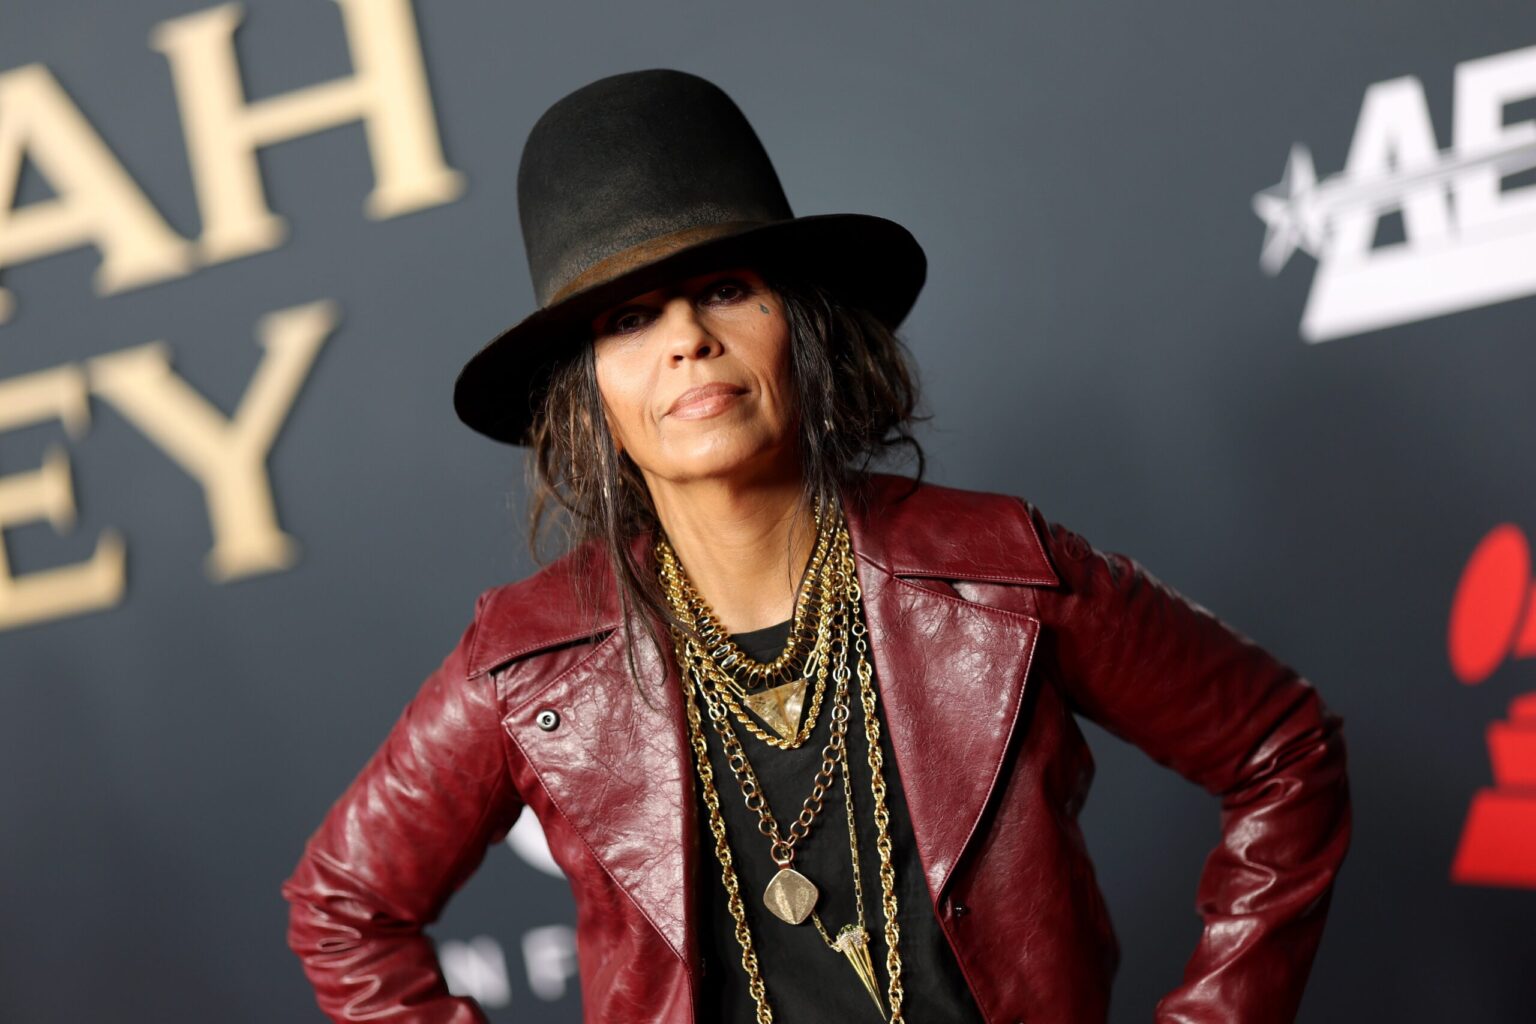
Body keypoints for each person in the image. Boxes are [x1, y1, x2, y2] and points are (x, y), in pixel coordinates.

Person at [280, 68, 1351, 1024]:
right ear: (587, 395)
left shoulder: (1001, 573)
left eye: (725, 290)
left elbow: (1281, 750)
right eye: (628, 320)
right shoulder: (532, 656)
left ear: (801, 325)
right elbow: (344, 906)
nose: (686, 339)